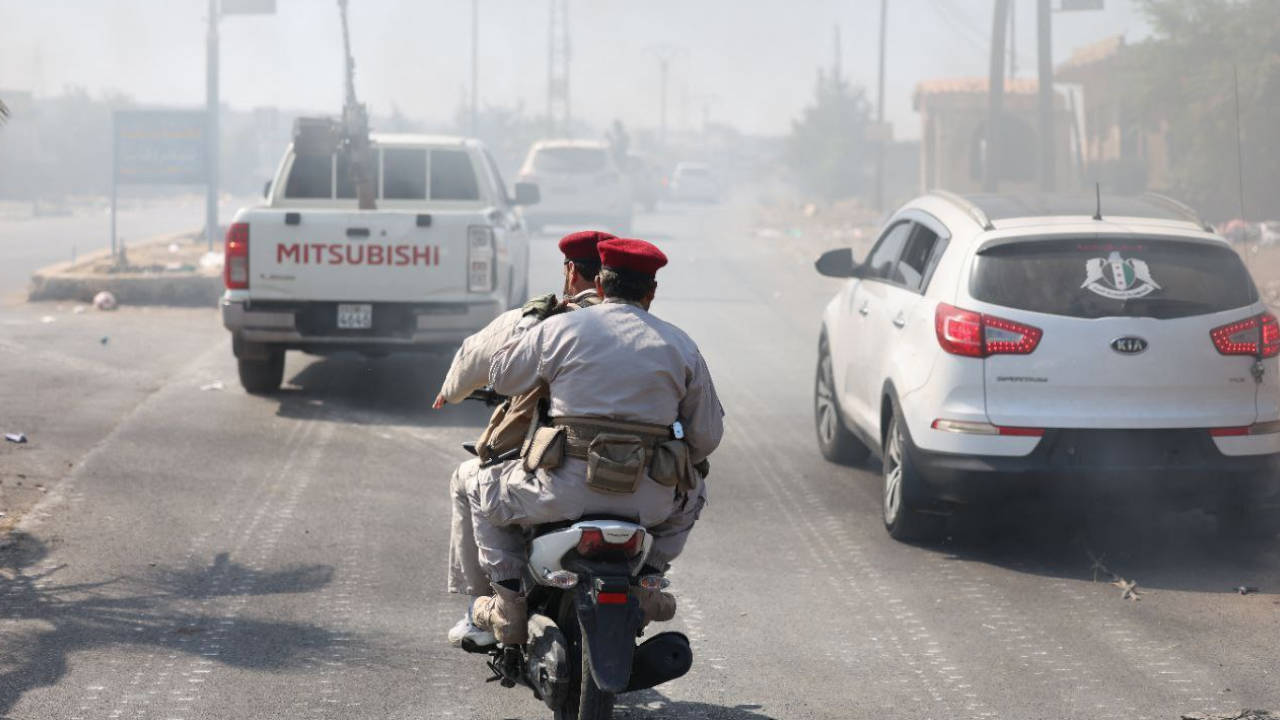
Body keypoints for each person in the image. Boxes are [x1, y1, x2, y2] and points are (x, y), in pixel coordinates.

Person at [467, 237, 723, 646]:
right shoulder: (680, 345)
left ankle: (508, 606)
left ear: (599, 286)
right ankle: (646, 586)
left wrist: (530, 324)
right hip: (649, 504)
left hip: (557, 494)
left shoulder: (560, 327)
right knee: (695, 492)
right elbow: (706, 437)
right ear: (651, 292)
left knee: (476, 484)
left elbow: (502, 379)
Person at [440, 230, 612, 648]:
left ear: (571, 272)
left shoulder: (538, 320)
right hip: (635, 479)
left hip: (552, 472)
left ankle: (492, 608)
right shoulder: (649, 334)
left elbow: (474, 361)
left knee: (471, 480)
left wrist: (450, 392)